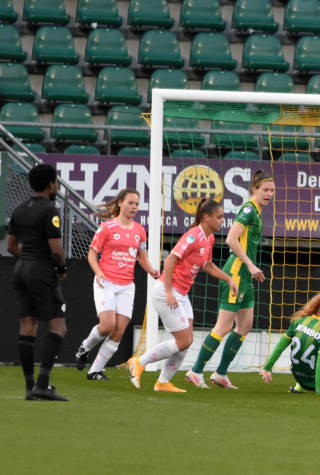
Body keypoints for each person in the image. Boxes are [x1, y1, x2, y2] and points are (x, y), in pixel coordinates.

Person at [127, 199, 237, 392]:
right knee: (183, 340)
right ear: (206, 217)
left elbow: (207, 265)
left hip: (181, 293)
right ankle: (138, 362)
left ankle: (162, 383)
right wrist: (169, 291)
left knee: (186, 341)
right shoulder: (193, 236)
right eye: (219, 217)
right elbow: (170, 260)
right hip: (167, 291)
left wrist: (228, 279)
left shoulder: (208, 238)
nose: (222, 221)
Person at [186, 172, 275, 389]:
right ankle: (196, 370)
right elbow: (231, 239)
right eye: (265, 190)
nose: (269, 194)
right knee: (223, 326)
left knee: (245, 325)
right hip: (236, 272)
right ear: (254, 189)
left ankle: (220, 374)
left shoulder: (257, 210)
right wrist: (251, 265)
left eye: (272, 191)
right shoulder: (247, 210)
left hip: (245, 275)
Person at [75, 189, 160, 381]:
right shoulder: (106, 228)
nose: (134, 207)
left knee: (119, 329)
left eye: (137, 204)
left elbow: (142, 256)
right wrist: (98, 272)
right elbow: (91, 253)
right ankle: (84, 348)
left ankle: (95, 370)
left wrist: (151, 270)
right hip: (106, 282)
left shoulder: (139, 230)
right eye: (130, 203)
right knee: (107, 325)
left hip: (126, 286)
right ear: (120, 203)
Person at [7, 164, 69, 401]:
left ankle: (29, 387)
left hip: (21, 271)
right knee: (58, 327)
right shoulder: (50, 210)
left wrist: (29, 260)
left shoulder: (20, 209)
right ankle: (43, 385)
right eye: (56, 181)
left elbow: (12, 246)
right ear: (51, 184)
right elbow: (56, 249)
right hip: (41, 272)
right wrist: (61, 267)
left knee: (28, 326)